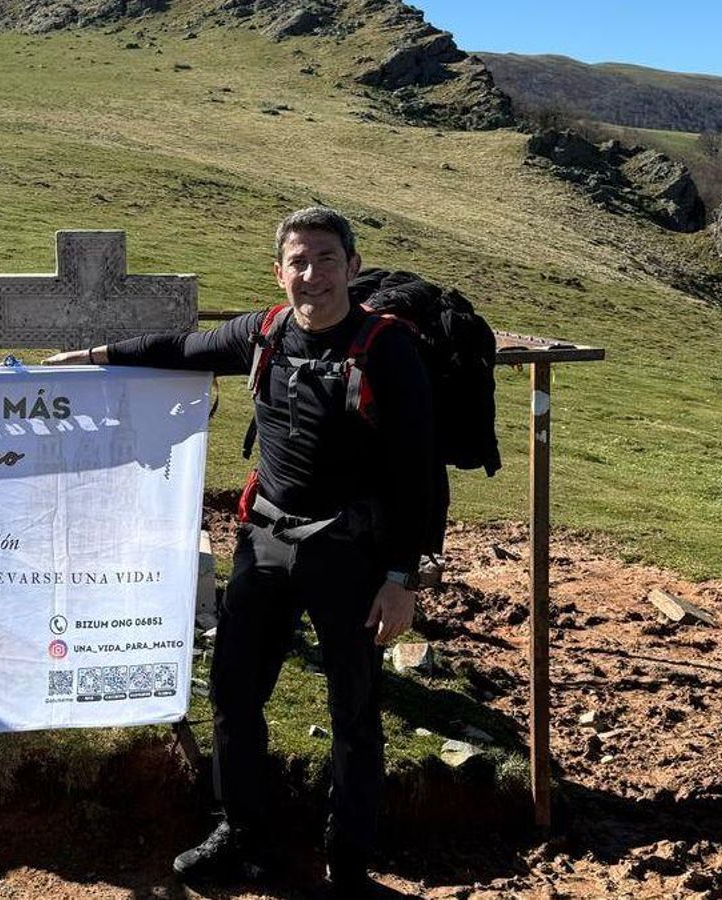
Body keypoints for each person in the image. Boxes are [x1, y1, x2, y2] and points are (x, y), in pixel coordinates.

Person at [44, 207, 435, 898]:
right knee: (233, 696)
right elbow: (180, 347)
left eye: (324, 258)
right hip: (263, 544)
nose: (310, 274)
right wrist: (94, 357)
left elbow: (420, 473)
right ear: (279, 270)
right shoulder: (263, 334)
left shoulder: (385, 348)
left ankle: (348, 866)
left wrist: (403, 579)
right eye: (297, 261)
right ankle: (242, 836)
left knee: (354, 709)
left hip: (350, 554)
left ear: (351, 264)